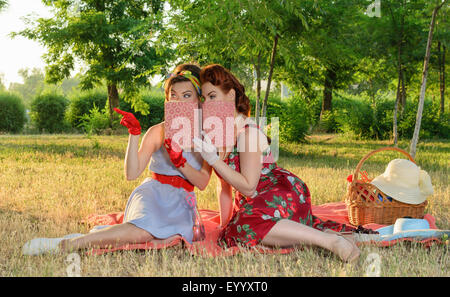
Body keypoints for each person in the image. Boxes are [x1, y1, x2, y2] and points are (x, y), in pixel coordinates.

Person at [22, 64, 212, 255]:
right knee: (143, 235)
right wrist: (134, 134)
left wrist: (180, 162)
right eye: (173, 95)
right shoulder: (159, 131)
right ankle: (67, 245)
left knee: (171, 239)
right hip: (153, 195)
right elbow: (131, 174)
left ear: (199, 100)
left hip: (182, 201)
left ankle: (100, 236)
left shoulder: (207, 134)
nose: (178, 102)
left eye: (186, 95)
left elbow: (202, 182)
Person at [193, 64, 361, 263]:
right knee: (231, 233)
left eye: (212, 96)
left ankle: (330, 241)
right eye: (204, 99)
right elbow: (224, 188)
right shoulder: (220, 135)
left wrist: (212, 159)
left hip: (280, 190)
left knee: (245, 226)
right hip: (256, 201)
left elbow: (248, 187)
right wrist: (223, 224)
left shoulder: (248, 133)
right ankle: (304, 236)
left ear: (230, 96)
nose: (206, 104)